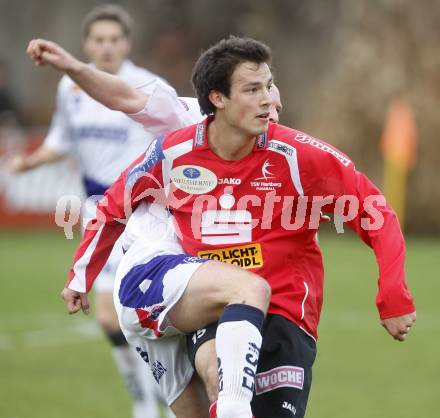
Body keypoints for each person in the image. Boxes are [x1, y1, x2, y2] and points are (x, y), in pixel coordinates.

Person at [27, 36, 416, 418]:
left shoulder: (298, 155)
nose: (268, 100)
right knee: (219, 370)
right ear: (217, 98)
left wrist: (393, 294)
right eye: (253, 89)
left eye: (269, 87)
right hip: (212, 302)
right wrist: (81, 276)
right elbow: (114, 201)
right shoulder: (176, 143)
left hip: (287, 312)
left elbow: (375, 212)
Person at [9, 5, 173, 418]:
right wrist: (29, 163)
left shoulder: (145, 86)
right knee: (107, 320)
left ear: (127, 44)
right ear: (87, 44)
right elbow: (60, 140)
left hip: (142, 213)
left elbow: (176, 137)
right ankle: (144, 401)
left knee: (148, 314)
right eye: (98, 40)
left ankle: (169, 397)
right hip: (96, 211)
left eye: (114, 39)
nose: (106, 47)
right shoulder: (72, 87)